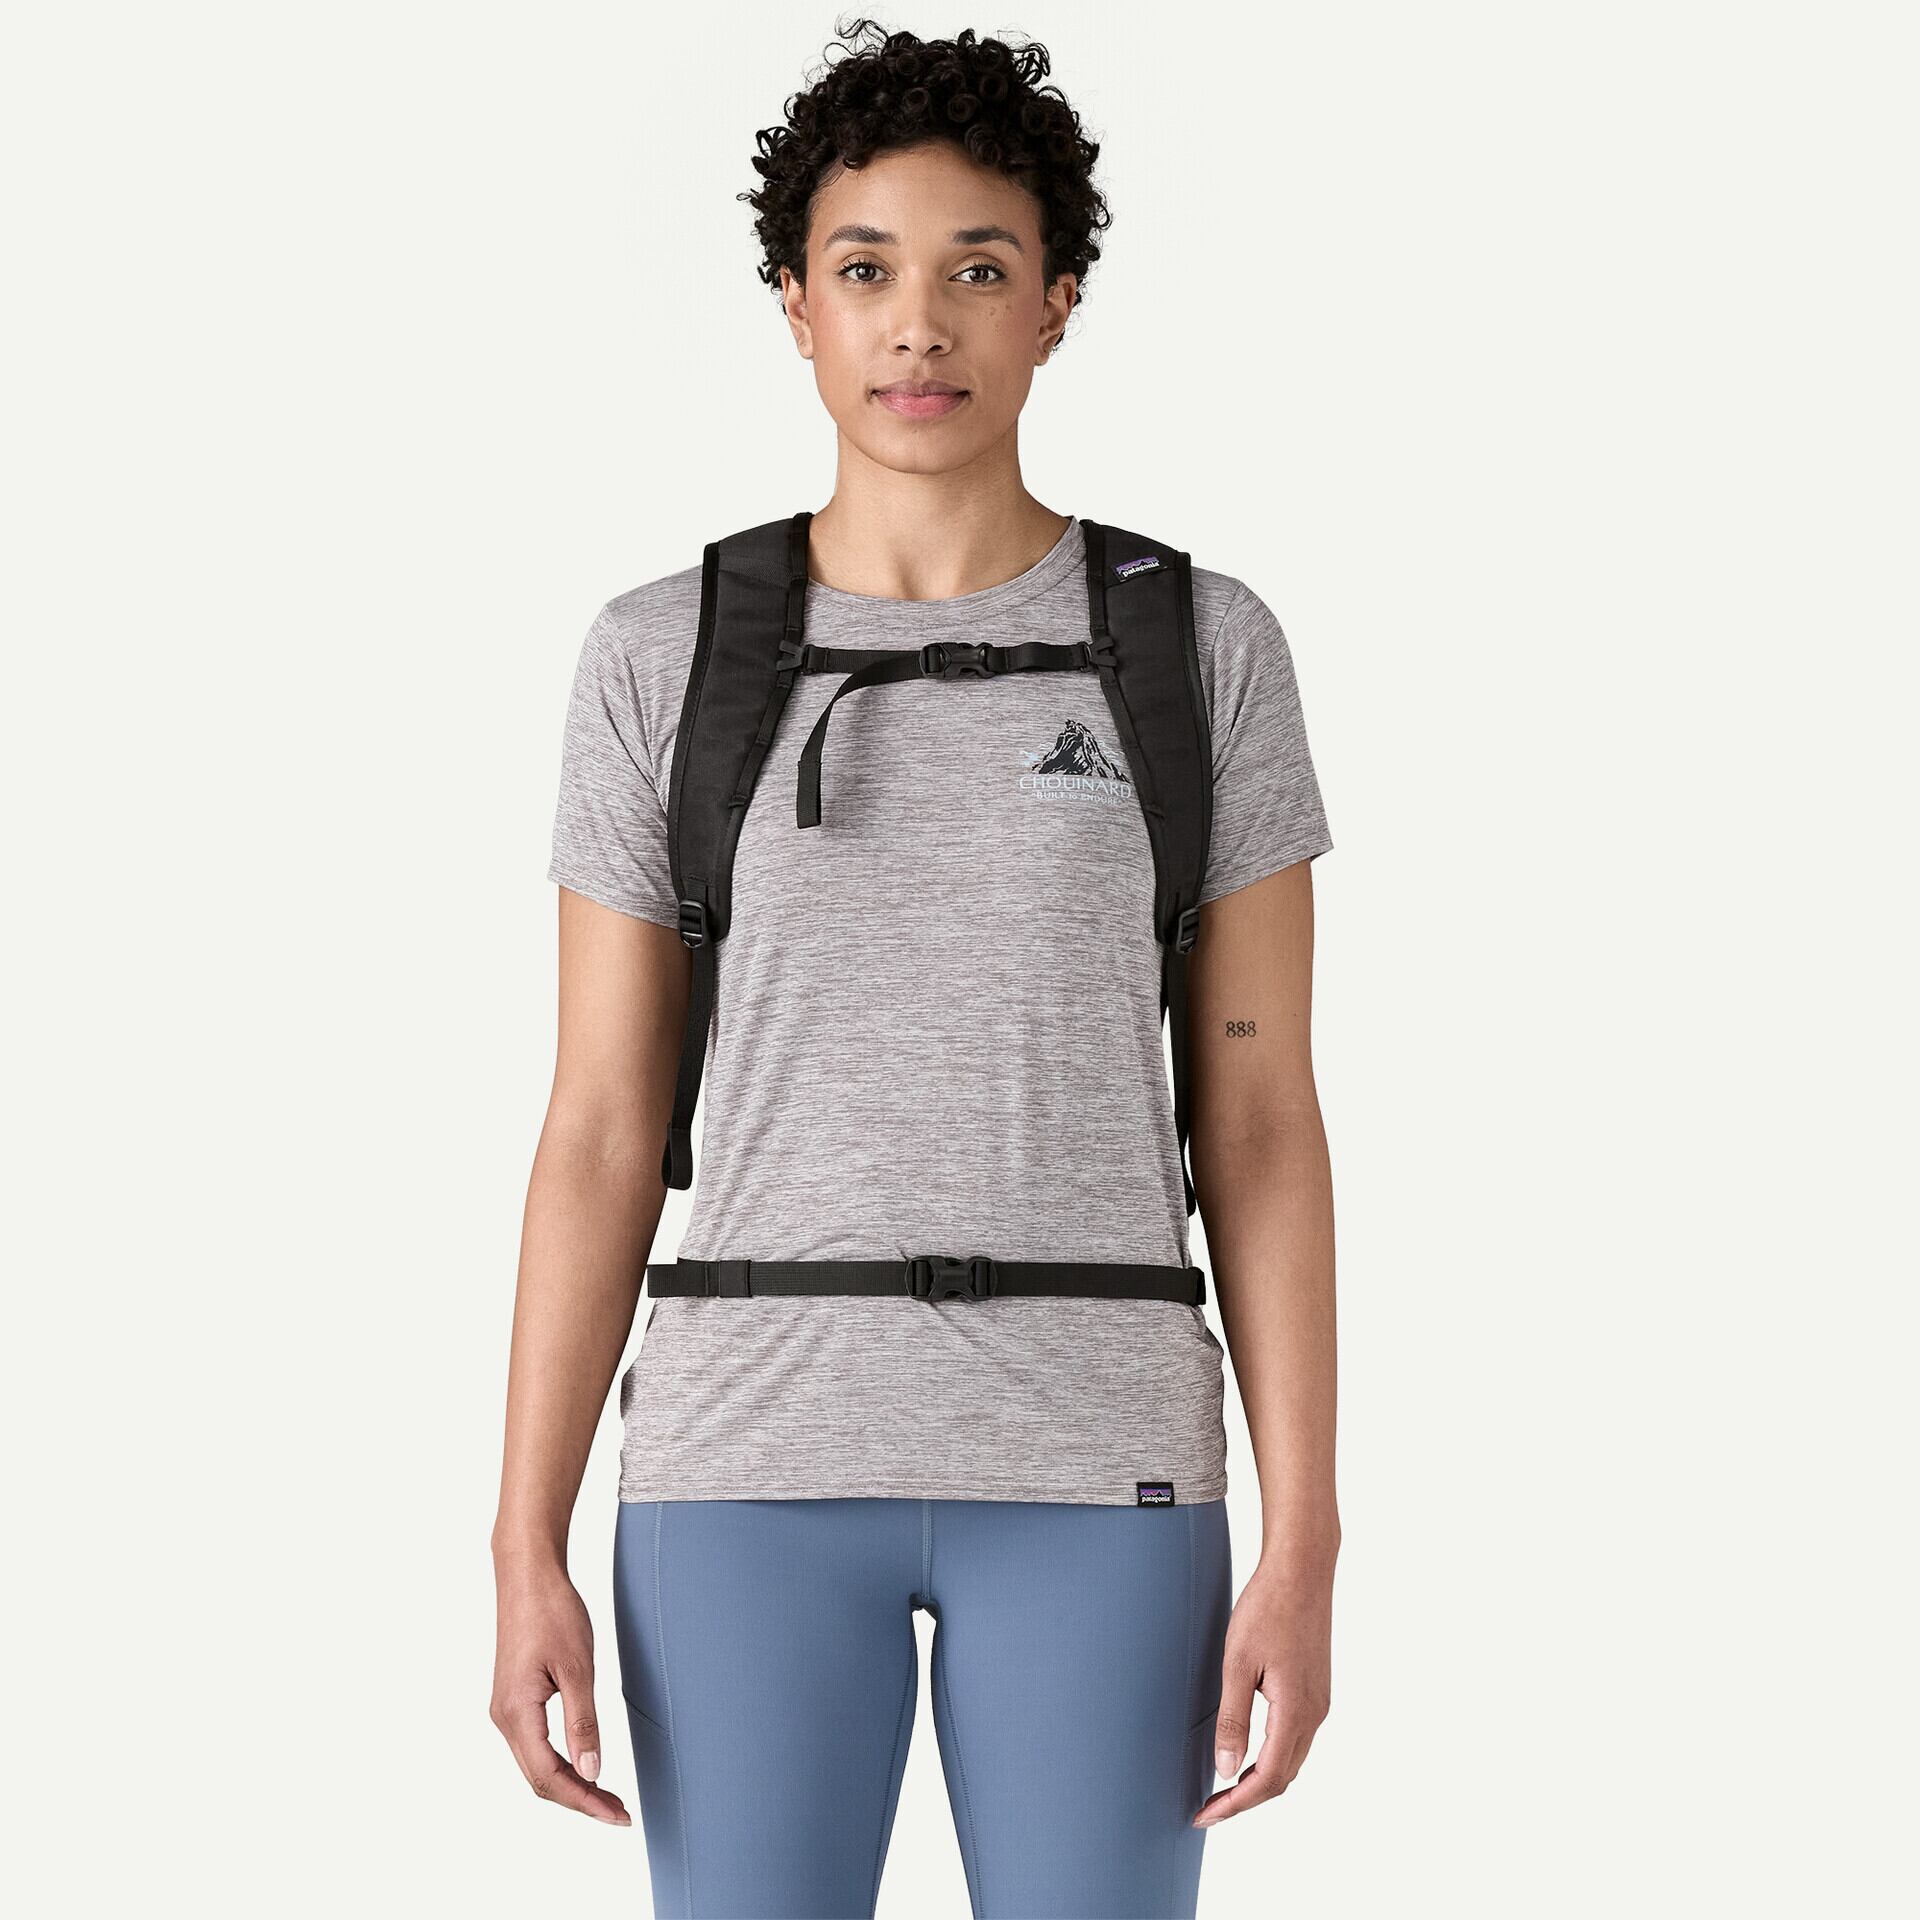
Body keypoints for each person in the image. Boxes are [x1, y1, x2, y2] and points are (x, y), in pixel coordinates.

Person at [490, 21, 1338, 1918]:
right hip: (742, 1463)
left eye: (978, 269)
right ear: (798, 307)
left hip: (1105, 1461)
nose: (920, 325)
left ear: (1056, 305)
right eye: (866, 269)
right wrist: (521, 1535)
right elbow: (601, 1125)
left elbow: (1263, 1122)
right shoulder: (661, 655)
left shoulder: (1199, 646)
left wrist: (1308, 1537)